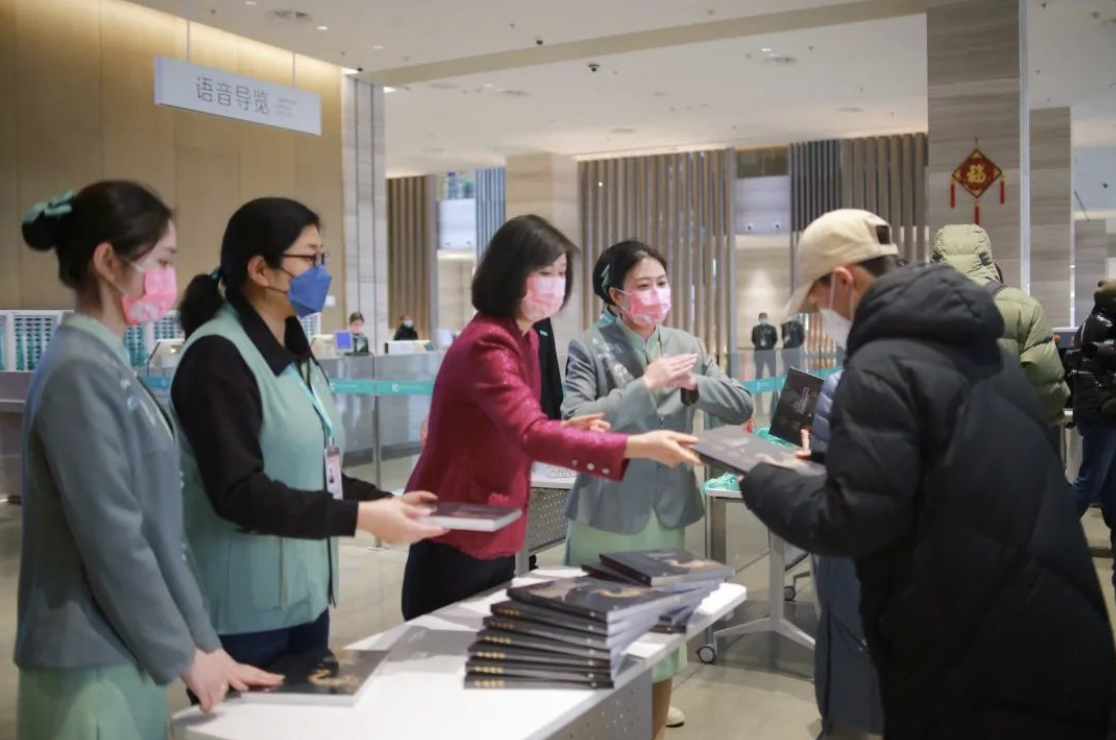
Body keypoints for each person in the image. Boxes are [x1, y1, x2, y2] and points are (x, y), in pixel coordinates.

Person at [739, 209, 1115, 739]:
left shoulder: (881, 368)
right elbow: (939, 468)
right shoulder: (979, 351)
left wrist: (758, 476)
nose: (821, 314)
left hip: (976, 666)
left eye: (819, 300)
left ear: (843, 280)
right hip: (1047, 634)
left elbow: (850, 523)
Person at [14, 182, 280, 740]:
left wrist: (204, 643)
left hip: (124, 649)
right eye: (161, 261)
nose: (169, 278)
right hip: (88, 664)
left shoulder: (106, 364)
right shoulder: (78, 372)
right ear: (108, 262)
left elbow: (160, 534)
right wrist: (184, 654)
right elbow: (114, 539)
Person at [173, 197, 445, 672]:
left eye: (323, 257)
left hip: (305, 595)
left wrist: (386, 501)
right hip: (244, 612)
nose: (321, 272)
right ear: (260, 269)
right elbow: (239, 493)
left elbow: (318, 469)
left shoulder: (294, 349)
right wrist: (361, 517)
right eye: (309, 258)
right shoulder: (218, 355)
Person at [400, 215, 700, 620]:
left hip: (495, 521)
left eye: (561, 273)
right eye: (544, 272)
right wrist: (637, 445)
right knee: (451, 641)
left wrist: (562, 429)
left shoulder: (523, 336)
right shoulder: (490, 342)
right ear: (509, 274)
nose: (556, 283)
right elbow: (528, 432)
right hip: (460, 526)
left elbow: (515, 426)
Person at [562, 240, 753, 739]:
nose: (656, 294)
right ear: (615, 295)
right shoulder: (589, 347)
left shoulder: (686, 343)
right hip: (607, 511)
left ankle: (652, 723)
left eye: (662, 283)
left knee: (663, 630)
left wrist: (693, 386)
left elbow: (740, 403)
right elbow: (575, 422)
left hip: (667, 511)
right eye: (643, 285)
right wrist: (644, 386)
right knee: (603, 628)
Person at [931, 224, 1069, 446]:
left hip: (938, 443)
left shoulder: (913, 304)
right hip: (1005, 440)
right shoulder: (1025, 307)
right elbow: (1045, 389)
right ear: (986, 255)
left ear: (936, 256)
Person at [803, 370, 885, 738]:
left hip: (855, 557)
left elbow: (825, 481)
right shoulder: (972, 377)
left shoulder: (844, 384)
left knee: (851, 675)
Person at [1069, 280, 1116, 539]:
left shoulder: (1092, 323)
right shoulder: (1104, 325)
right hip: (1102, 412)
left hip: (1099, 410)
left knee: (1109, 479)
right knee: (1091, 480)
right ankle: (1052, 530)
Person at [751, 312, 778, 379]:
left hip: (769, 352)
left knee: (772, 370)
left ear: (767, 318)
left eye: (764, 317)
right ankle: (758, 384)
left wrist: (769, 345)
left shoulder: (772, 328)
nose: (763, 319)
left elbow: (775, 339)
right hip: (758, 352)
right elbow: (753, 340)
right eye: (762, 317)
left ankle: (773, 384)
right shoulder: (755, 328)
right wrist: (760, 345)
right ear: (759, 319)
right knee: (759, 371)